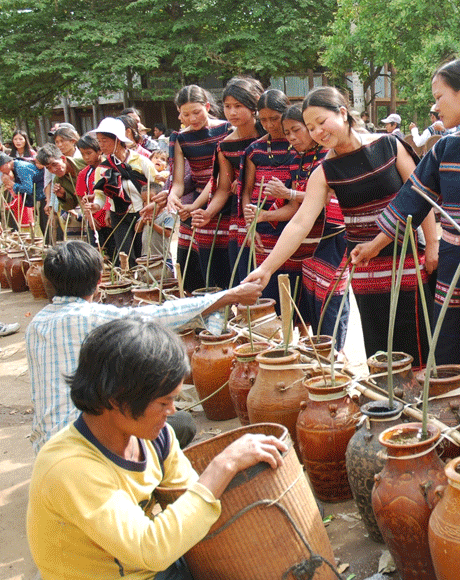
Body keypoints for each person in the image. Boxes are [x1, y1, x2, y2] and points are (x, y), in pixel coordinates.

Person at [27, 316, 287, 580]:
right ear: (116, 399)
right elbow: (150, 548)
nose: (172, 411)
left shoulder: (154, 438)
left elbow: (188, 500)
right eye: (164, 403)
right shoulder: (71, 468)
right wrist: (224, 464)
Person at [244, 86, 436, 366]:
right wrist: (266, 268)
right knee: (381, 348)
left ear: (343, 113)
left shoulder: (389, 146)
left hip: (407, 259)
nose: (318, 132)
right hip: (365, 268)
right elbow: (299, 223)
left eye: (322, 122)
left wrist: (432, 244)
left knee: (419, 341)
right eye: (311, 127)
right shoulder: (324, 171)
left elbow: (420, 195)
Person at [353, 56, 460, 385]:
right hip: (453, 266)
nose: (436, 105)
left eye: (440, 96)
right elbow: (411, 200)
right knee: (451, 350)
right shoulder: (445, 149)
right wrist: (373, 246)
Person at [25, 240, 262, 453]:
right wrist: (230, 296)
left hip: (46, 448)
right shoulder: (92, 318)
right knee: (180, 425)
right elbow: (160, 316)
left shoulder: (36, 325)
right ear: (99, 281)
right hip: (87, 446)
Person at [281, 104, 350, 347]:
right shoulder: (297, 159)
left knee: (332, 297)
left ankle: (333, 354)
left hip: (335, 234)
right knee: (314, 296)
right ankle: (317, 352)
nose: (292, 137)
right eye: (287, 132)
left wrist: (289, 193)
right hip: (310, 240)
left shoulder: (330, 156)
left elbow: (329, 198)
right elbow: (300, 210)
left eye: (297, 130)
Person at [237, 89, 312, 311]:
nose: (269, 125)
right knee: (268, 297)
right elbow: (246, 193)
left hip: (295, 227)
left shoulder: (303, 148)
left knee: (297, 299)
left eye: (275, 119)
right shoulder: (254, 150)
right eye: (263, 120)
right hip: (263, 232)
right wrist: (251, 225)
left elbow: (302, 201)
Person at [191, 77, 264, 290]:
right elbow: (223, 189)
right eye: (227, 106)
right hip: (241, 215)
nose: (232, 112)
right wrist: (208, 213)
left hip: (271, 208)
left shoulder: (269, 137)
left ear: (254, 106)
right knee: (243, 276)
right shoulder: (225, 145)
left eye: (238, 106)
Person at [165, 85, 232, 293]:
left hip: (223, 199)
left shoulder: (226, 130)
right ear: (179, 114)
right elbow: (177, 182)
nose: (192, 119)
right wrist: (172, 197)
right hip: (198, 202)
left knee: (223, 266)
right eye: (186, 114)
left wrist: (195, 204)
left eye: (197, 112)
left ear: (208, 107)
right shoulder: (180, 138)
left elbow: (220, 178)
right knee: (196, 269)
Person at [87, 117, 159, 264]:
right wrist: (96, 206)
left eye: (105, 140)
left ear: (118, 140)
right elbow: (101, 195)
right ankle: (129, 281)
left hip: (142, 213)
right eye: (99, 141)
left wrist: (150, 206)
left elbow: (156, 185)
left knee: (142, 251)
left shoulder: (141, 161)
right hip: (118, 215)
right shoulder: (102, 168)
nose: (101, 145)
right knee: (125, 253)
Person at [0, 152, 37, 231]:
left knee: (29, 233)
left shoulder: (21, 167)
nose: (1, 171)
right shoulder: (15, 168)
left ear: (6, 163)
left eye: (0, 168)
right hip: (21, 214)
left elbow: (27, 189)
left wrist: (11, 184)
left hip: (27, 211)